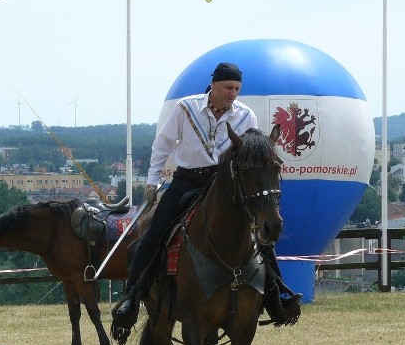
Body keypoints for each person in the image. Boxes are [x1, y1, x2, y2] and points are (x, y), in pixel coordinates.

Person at [115, 62, 300, 327]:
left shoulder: (246, 116)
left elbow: (250, 154)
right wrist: (152, 183)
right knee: (154, 233)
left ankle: (276, 297)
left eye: (237, 88)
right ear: (213, 85)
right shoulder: (185, 108)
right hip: (186, 180)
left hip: (224, 182)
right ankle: (131, 298)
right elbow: (162, 146)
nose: (232, 93)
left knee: (259, 237)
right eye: (228, 87)